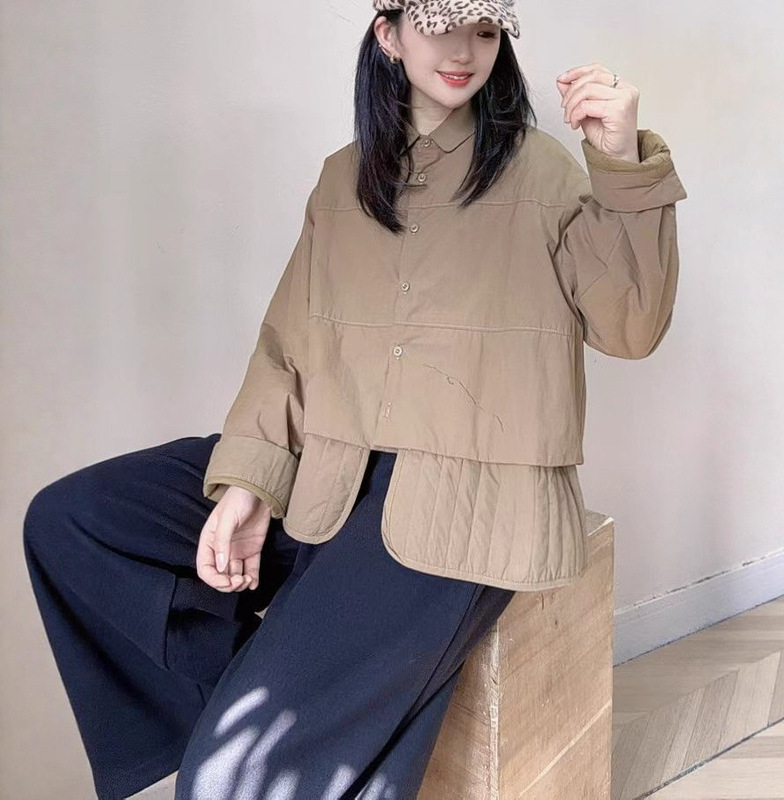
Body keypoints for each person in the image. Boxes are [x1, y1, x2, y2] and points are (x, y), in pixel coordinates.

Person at [22, 1, 688, 798]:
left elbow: (631, 326)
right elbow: (288, 345)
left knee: (232, 776)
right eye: (440, 25)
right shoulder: (344, 178)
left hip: (461, 502)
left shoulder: (541, 172)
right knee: (75, 520)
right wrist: (250, 482)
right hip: (327, 472)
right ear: (388, 34)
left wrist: (623, 166)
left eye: (483, 31)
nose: (464, 50)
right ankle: (262, 706)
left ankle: (273, 725)